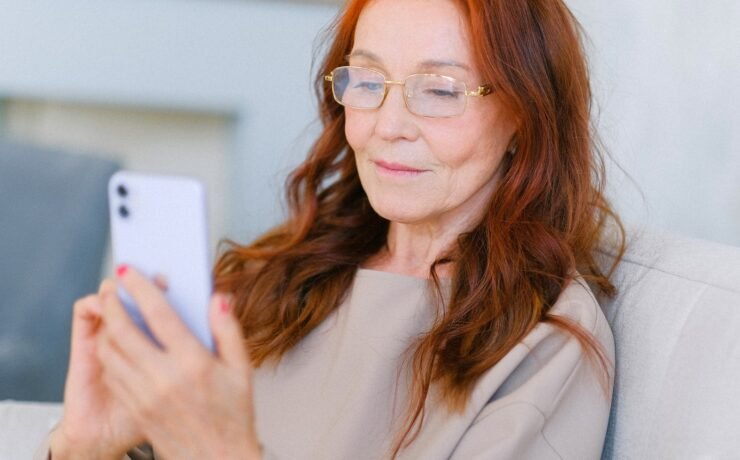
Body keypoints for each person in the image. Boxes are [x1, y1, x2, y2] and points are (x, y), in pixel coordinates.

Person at [39, 0, 625, 458]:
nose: (387, 125)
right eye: (367, 82)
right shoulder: (278, 276)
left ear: (526, 113)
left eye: (441, 90)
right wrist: (82, 450)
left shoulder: (545, 344)